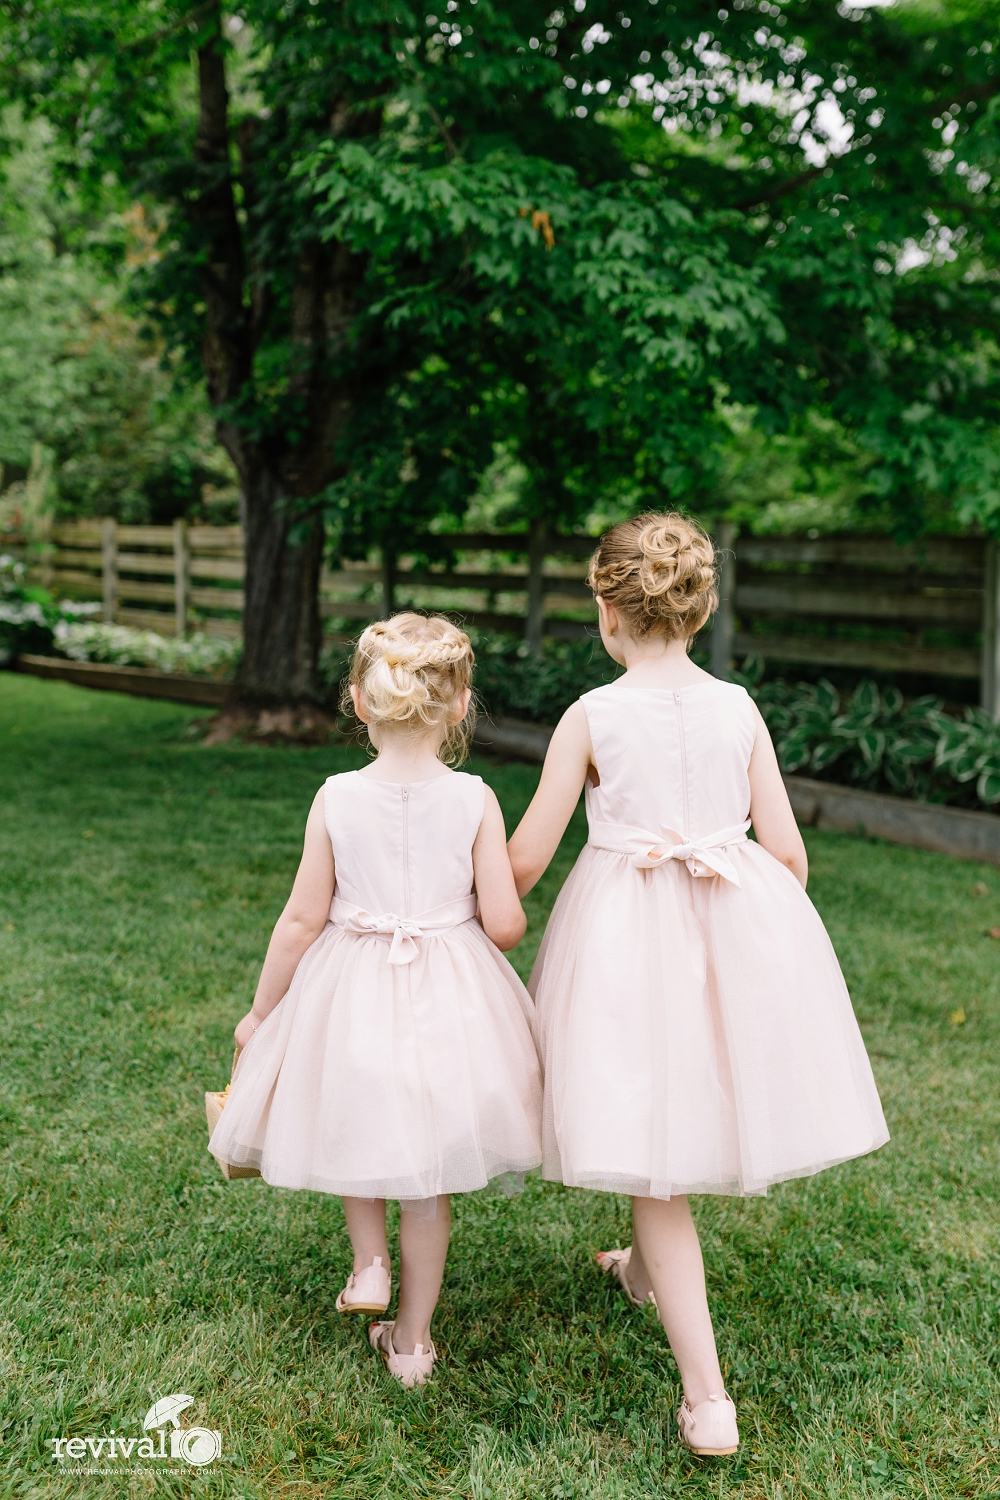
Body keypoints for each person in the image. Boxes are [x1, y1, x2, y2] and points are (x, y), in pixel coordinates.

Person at [507, 514, 889, 1457]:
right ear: (697, 603)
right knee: (682, 1110)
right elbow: (788, 854)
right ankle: (640, 1267)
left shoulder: (591, 716)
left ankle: (708, 1396)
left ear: (606, 606)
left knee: (655, 1152)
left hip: (621, 942)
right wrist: (739, 927)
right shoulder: (740, 707)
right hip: (724, 925)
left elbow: (523, 861)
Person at [210, 614, 542, 1387]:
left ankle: (368, 1266)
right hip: (451, 995)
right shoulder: (476, 800)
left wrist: (262, 1012)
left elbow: (300, 919)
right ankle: (415, 1346)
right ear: (460, 705)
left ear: (359, 701)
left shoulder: (334, 797)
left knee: (358, 1116)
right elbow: (503, 925)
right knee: (426, 1174)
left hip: (350, 985)